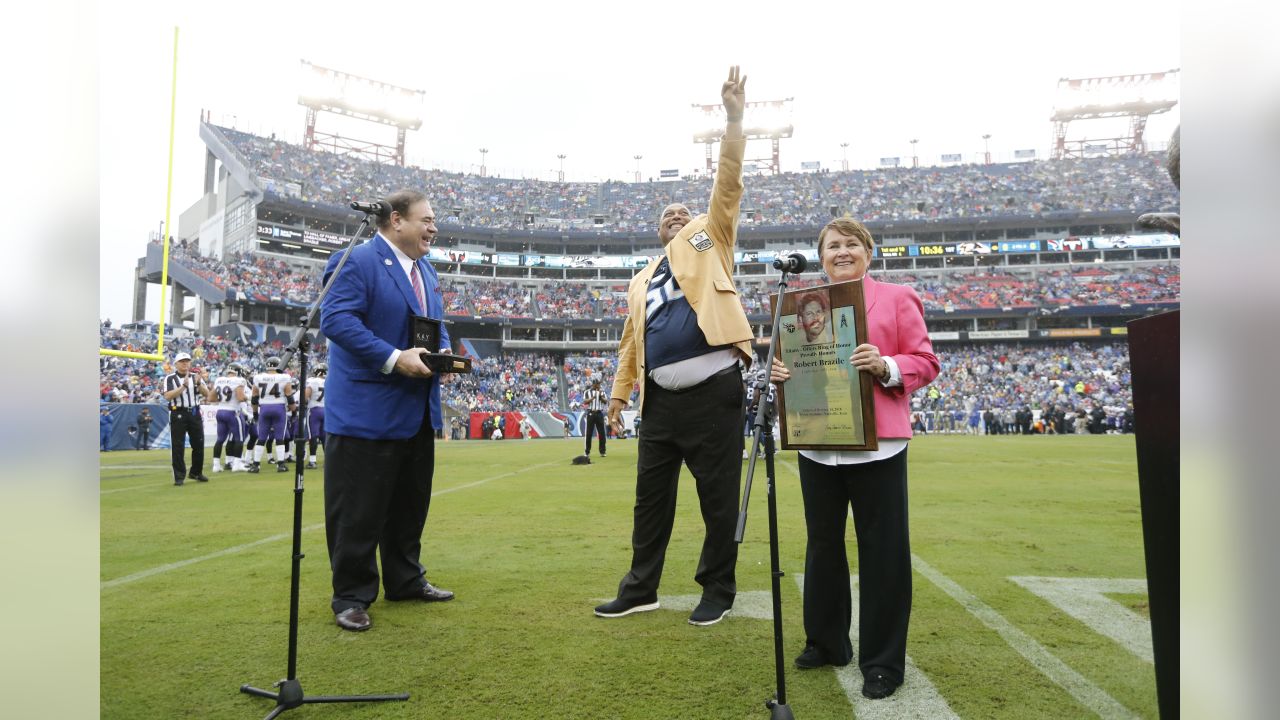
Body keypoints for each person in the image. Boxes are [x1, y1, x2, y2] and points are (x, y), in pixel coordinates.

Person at [596, 67, 751, 628]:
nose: (677, 218)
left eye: (683, 213)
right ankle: (641, 588)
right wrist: (617, 399)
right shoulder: (640, 280)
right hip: (659, 400)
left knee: (717, 496)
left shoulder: (711, 239)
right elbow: (628, 346)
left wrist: (733, 120)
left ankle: (718, 587)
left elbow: (728, 182)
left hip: (714, 390)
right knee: (649, 498)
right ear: (658, 232)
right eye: (668, 217)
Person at [768, 217, 939, 700]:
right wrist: (782, 371)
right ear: (820, 258)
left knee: (883, 552)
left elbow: (925, 362)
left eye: (850, 244)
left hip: (878, 444)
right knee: (822, 545)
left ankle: (882, 661)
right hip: (819, 442)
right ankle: (826, 641)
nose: (840, 252)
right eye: (831, 247)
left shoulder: (898, 297)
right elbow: (795, 366)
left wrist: (885, 365)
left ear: (868, 251)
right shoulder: (799, 305)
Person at [319, 189, 454, 633]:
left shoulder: (427, 270)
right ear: (396, 220)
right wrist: (395, 358)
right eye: (426, 219)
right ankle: (352, 595)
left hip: (416, 412)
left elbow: (433, 329)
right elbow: (336, 320)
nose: (433, 227)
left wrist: (446, 356)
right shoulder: (356, 261)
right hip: (366, 412)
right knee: (358, 510)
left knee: (409, 506)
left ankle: (405, 578)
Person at [162, 352, 215, 486]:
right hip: (178, 413)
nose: (185, 364)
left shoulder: (195, 377)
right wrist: (183, 387)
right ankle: (179, 476)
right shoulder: (170, 378)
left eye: (187, 361)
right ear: (176, 364)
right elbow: (168, 396)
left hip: (194, 412)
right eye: (182, 361)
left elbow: (207, 394)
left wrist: (199, 384)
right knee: (178, 445)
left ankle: (196, 472)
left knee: (198, 443)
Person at [250, 356, 293, 473]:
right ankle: (280, 464)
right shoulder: (284, 377)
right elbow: (289, 396)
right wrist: (293, 411)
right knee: (280, 438)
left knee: (261, 438)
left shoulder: (259, 377)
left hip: (264, 408)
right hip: (279, 408)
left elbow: (254, 399)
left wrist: (255, 413)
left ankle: (256, 465)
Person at [211, 363, 249, 472]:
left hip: (220, 411)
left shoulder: (219, 380)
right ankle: (237, 465)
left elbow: (210, 397)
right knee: (239, 439)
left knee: (220, 440)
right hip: (232, 412)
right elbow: (241, 397)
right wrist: (248, 398)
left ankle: (216, 465)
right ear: (238, 371)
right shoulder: (239, 381)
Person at [304, 363, 327, 468]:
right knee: (325, 436)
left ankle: (312, 461)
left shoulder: (312, 381)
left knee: (313, 435)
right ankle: (328, 461)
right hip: (327, 411)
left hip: (314, 410)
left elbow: (305, 396)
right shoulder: (331, 381)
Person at [582, 379, 608, 457]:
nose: (599, 385)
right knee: (589, 433)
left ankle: (602, 451)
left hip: (599, 413)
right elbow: (585, 402)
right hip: (591, 413)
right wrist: (593, 398)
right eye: (598, 384)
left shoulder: (602, 392)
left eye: (599, 384)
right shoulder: (587, 392)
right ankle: (587, 452)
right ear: (594, 384)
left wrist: (600, 396)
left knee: (602, 434)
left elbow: (605, 401)